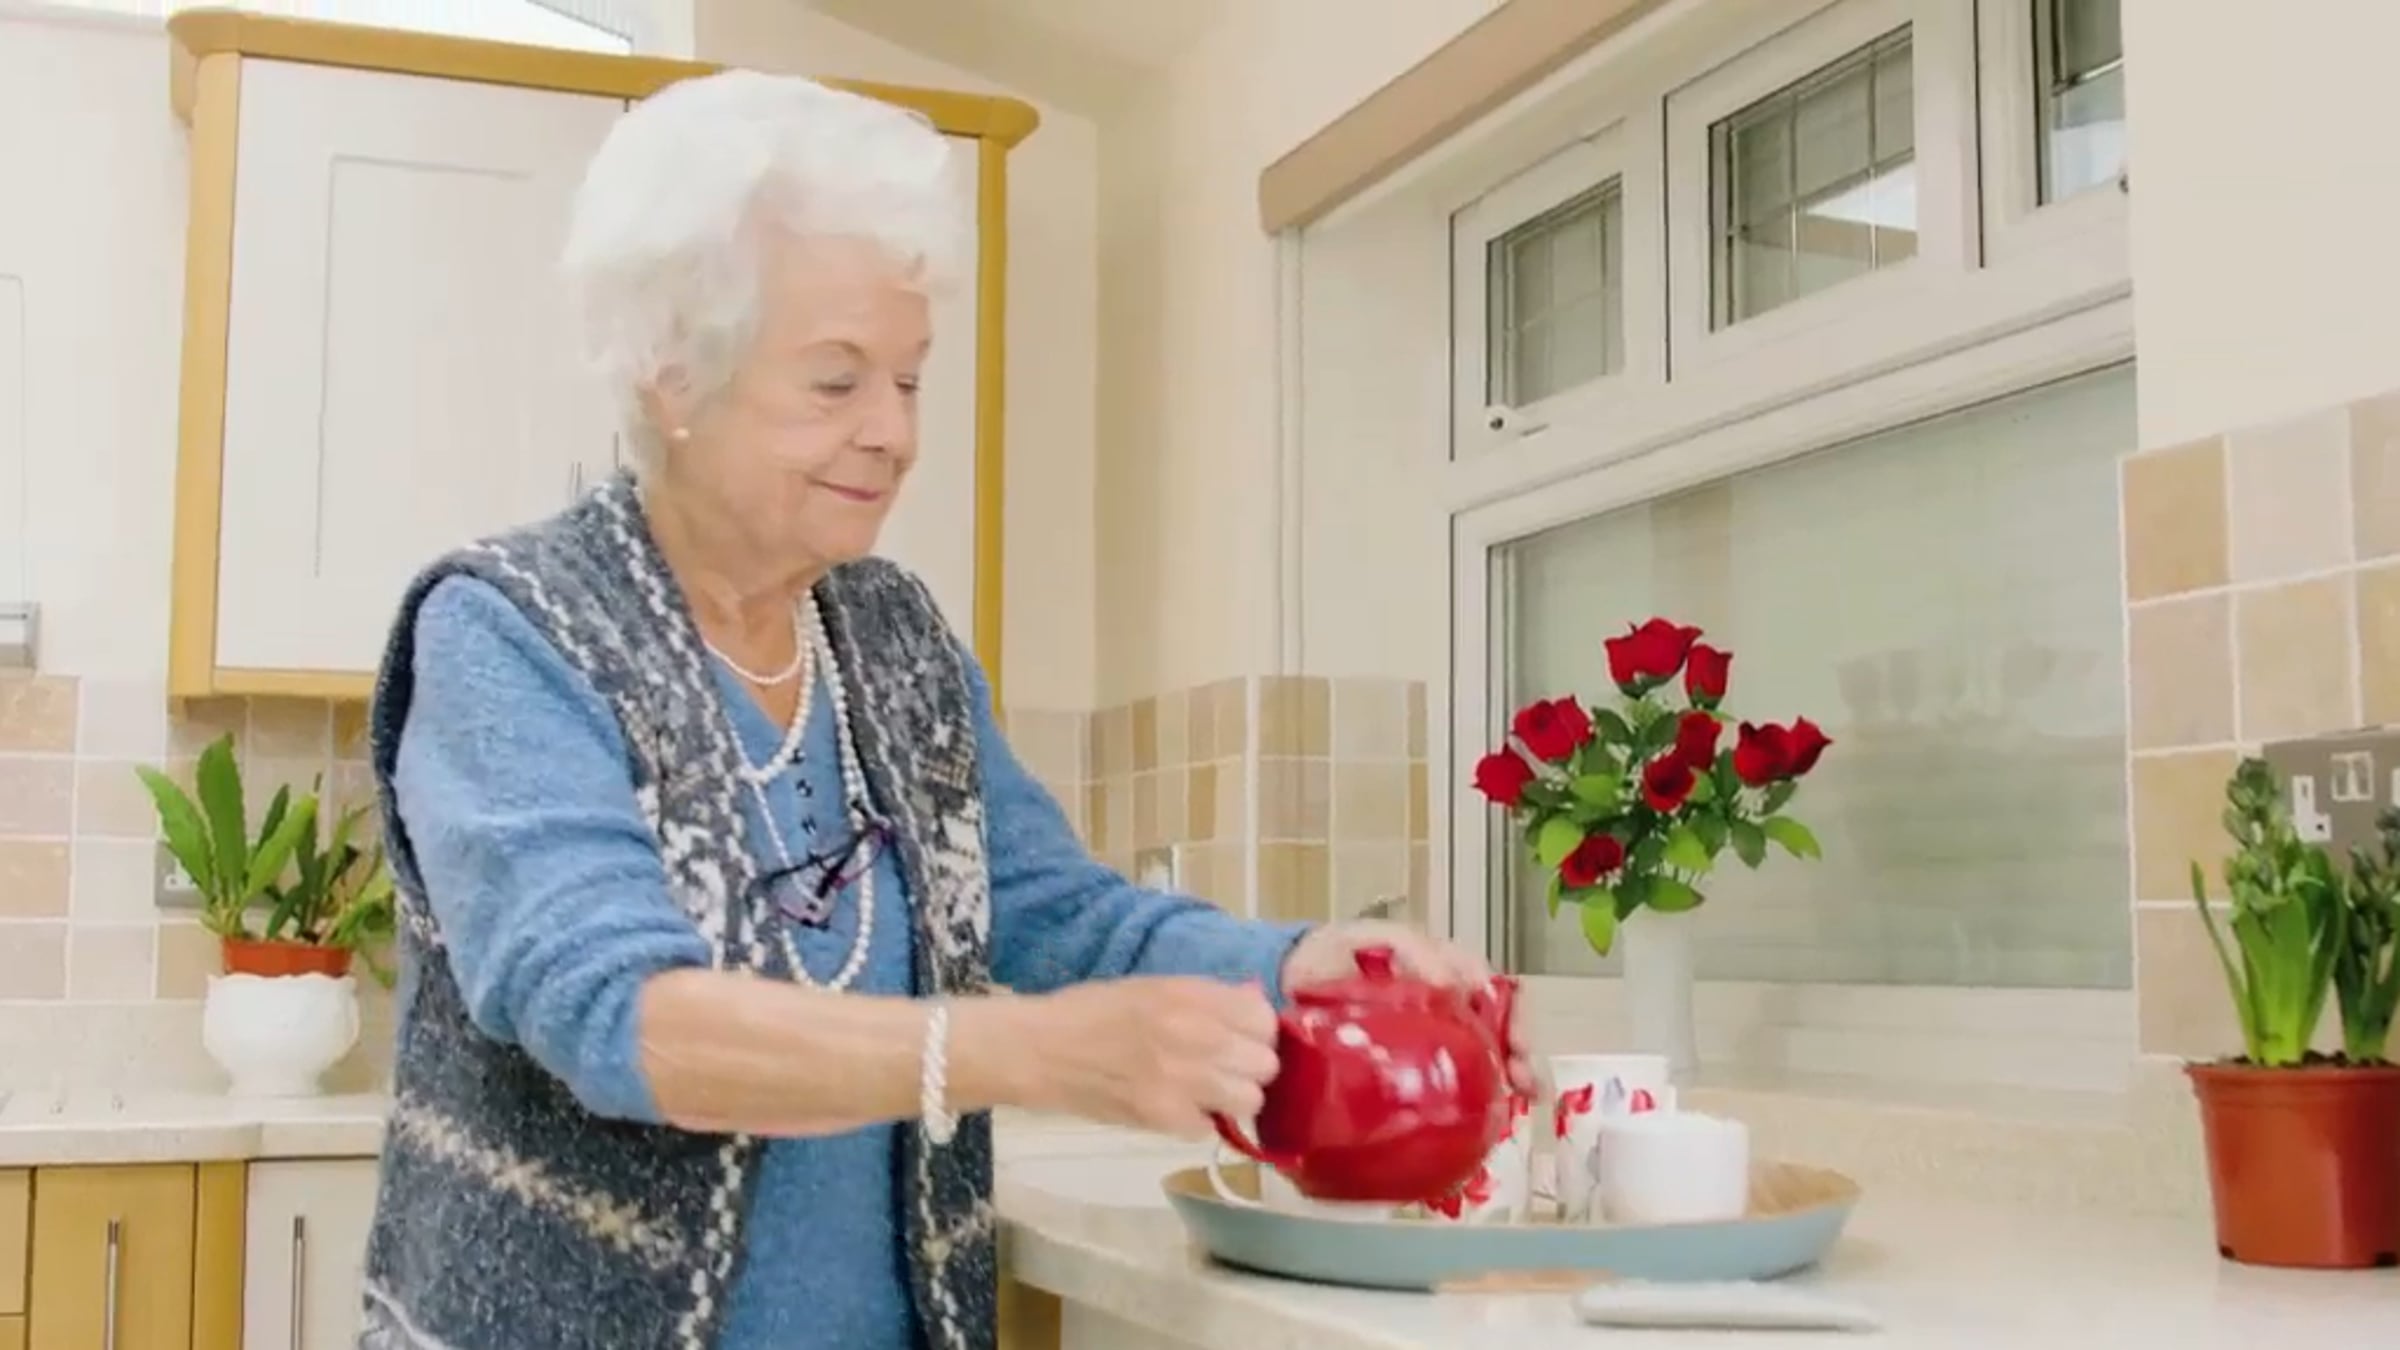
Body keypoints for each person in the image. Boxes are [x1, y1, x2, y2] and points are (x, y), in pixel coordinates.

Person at [354, 68, 1529, 1350]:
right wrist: (1025, 1053)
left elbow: (1055, 911)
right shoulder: (509, 632)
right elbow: (619, 1017)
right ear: (673, 378)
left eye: (909, 381)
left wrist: (1294, 966)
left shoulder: (893, 640)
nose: (894, 434)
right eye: (836, 382)